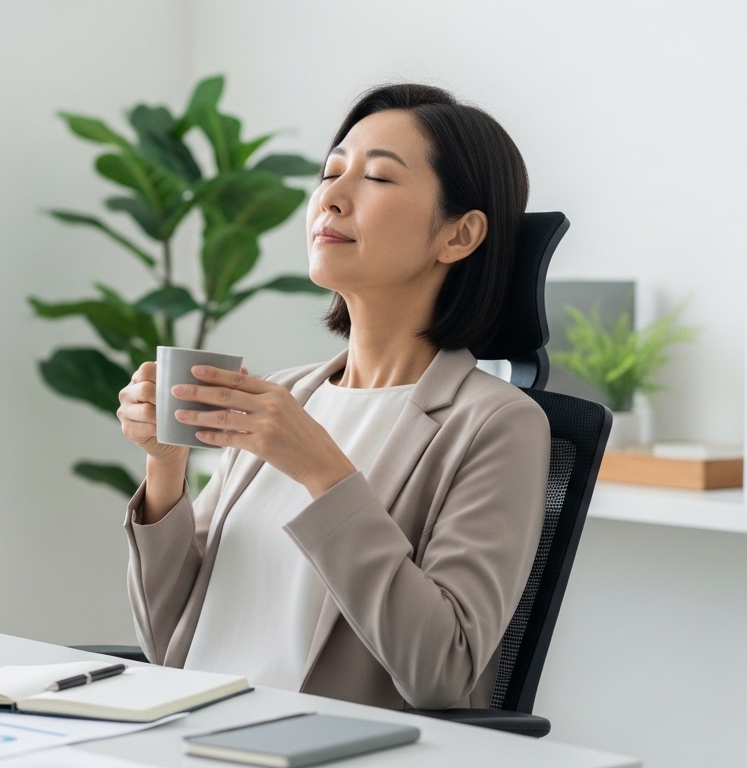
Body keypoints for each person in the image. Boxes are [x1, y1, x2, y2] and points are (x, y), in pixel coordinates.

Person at [114, 84, 550, 711]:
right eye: (331, 172)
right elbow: (166, 642)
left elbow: (443, 672)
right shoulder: (286, 397)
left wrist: (323, 471)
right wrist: (165, 466)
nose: (332, 199)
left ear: (458, 236)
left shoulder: (495, 423)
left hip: (315, 747)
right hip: (185, 730)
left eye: (376, 177)